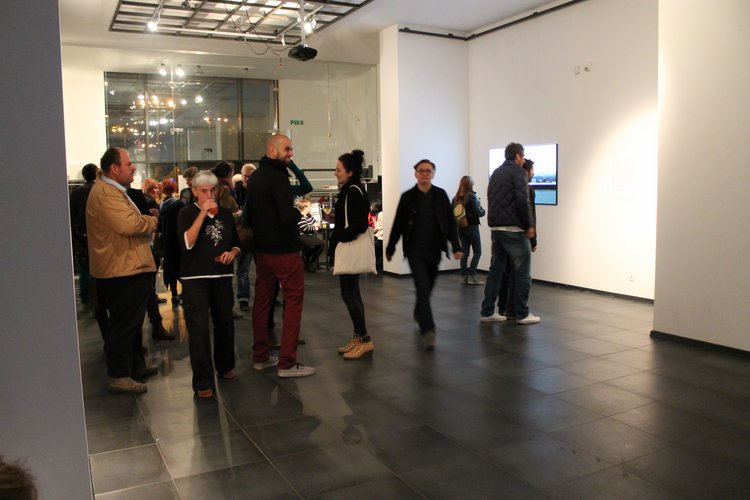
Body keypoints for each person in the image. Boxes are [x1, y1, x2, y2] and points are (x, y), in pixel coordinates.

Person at [86, 147, 159, 394]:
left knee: (132, 323)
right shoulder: (106, 193)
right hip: (121, 269)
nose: (134, 167)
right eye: (129, 164)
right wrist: (152, 221)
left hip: (127, 266)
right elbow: (130, 225)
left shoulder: (113, 191)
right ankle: (119, 375)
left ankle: (135, 366)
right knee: (123, 325)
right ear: (114, 168)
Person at [245, 134, 315, 377]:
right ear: (272, 150)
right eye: (287, 149)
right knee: (293, 301)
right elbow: (286, 217)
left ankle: (260, 356)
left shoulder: (256, 177)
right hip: (284, 250)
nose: (291, 153)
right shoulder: (279, 177)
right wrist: (299, 211)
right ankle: (287, 363)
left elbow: (250, 215)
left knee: (262, 301)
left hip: (262, 249)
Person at [385, 159, 463, 349]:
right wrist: (390, 247)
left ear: (433, 174)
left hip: (434, 250)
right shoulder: (407, 197)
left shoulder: (440, 195)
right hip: (415, 250)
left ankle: (419, 311)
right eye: (422, 171)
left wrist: (456, 246)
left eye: (429, 171)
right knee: (422, 287)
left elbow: (450, 222)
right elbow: (398, 223)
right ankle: (428, 330)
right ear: (416, 173)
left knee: (427, 288)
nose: (425, 174)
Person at [178, 171, 241, 398]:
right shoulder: (186, 213)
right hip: (195, 278)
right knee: (199, 328)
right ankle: (203, 381)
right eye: (204, 190)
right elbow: (187, 242)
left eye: (212, 190)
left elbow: (236, 243)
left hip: (222, 276)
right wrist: (203, 214)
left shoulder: (225, 214)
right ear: (194, 191)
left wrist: (232, 253)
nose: (209, 194)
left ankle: (225, 366)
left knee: (224, 323)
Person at [480, 142, 541, 325]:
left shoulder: (496, 173)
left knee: (496, 271)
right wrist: (529, 226)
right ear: (518, 156)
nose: (523, 160)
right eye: (523, 156)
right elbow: (522, 201)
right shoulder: (519, 172)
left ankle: (487, 311)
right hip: (514, 229)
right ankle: (521, 313)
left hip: (496, 228)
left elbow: (491, 197)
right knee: (523, 273)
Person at [332, 149, 374, 359]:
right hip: (350, 245)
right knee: (350, 293)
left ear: (349, 172)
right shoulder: (352, 189)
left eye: (338, 170)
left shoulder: (353, 191)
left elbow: (359, 224)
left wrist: (341, 237)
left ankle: (364, 339)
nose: (335, 173)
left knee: (350, 294)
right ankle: (358, 337)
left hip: (351, 246)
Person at [127, 184, 175, 341]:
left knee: (146, 290)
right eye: (154, 187)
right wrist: (153, 219)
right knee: (142, 294)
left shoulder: (134, 196)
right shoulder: (134, 197)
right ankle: (144, 334)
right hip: (136, 252)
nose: (157, 189)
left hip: (140, 251)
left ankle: (150, 330)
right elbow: (136, 226)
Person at [497, 158, 538, 318]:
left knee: (506, 272)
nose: (533, 173)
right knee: (521, 274)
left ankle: (503, 307)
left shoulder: (508, 187)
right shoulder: (527, 189)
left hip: (504, 234)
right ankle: (517, 310)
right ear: (527, 171)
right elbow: (530, 215)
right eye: (532, 170)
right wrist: (533, 240)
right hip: (520, 235)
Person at [69, 163, 98, 306]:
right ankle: (96, 298)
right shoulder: (97, 191)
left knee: (84, 271)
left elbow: (72, 215)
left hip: (79, 237)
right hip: (95, 236)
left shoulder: (76, 192)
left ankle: (86, 297)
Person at [452, 175, 486, 285]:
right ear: (470, 184)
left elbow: (452, 215)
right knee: (478, 252)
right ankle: (472, 276)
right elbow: (478, 212)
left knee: (464, 253)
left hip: (460, 228)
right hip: (472, 227)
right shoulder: (472, 196)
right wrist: (483, 210)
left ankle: (464, 277)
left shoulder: (455, 198)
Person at [159, 178, 185, 306]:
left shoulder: (161, 205)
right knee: (180, 267)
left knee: (170, 268)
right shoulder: (179, 204)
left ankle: (174, 295)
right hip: (178, 241)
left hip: (166, 242)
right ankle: (186, 292)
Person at [236, 163, 256, 311]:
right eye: (245, 176)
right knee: (243, 269)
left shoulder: (259, 190)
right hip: (245, 235)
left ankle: (270, 296)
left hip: (259, 234)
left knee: (265, 269)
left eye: (250, 176)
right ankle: (243, 298)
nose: (248, 179)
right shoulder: (237, 192)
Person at [297, 198, 325, 273]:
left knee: (321, 244)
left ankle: (310, 262)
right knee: (314, 245)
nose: (311, 208)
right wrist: (314, 227)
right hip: (302, 236)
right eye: (310, 206)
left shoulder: (308, 216)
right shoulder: (300, 216)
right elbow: (305, 228)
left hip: (309, 235)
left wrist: (317, 225)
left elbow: (316, 223)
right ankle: (308, 262)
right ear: (305, 207)